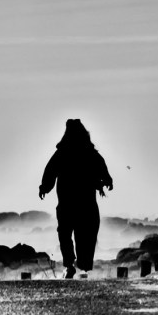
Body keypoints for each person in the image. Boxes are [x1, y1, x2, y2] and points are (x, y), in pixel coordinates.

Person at [39, 119, 113, 279]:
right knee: (85, 233)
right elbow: (102, 167)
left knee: (65, 233)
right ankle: (82, 266)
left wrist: (44, 187)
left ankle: (70, 264)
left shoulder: (62, 152)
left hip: (66, 202)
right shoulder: (89, 152)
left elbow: (50, 170)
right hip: (86, 203)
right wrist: (107, 180)